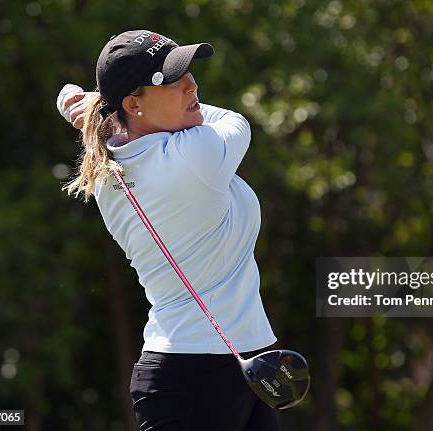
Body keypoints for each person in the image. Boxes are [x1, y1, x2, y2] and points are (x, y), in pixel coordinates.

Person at [56, 30, 280, 431]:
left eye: (188, 74)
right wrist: (92, 102)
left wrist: (97, 107)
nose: (192, 85)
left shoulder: (111, 167)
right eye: (172, 81)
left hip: (226, 366)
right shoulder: (196, 153)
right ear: (132, 104)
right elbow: (236, 120)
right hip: (194, 379)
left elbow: (116, 126)